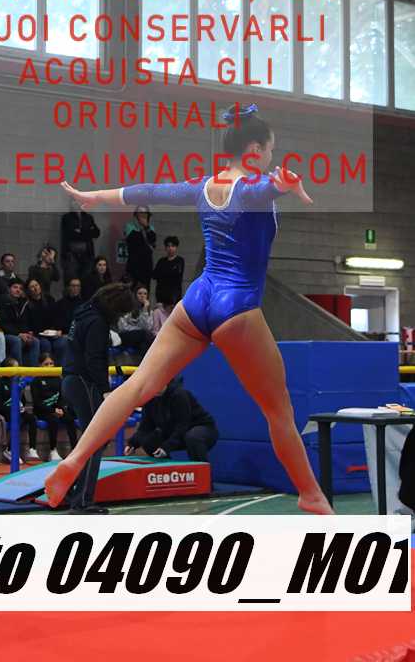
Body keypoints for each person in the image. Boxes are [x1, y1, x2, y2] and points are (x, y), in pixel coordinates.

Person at [45, 103, 333, 515]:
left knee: (139, 385)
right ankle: (310, 494)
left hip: (197, 300)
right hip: (236, 306)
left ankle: (75, 459)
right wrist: (283, 186)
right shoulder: (254, 187)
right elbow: (260, 191)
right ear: (254, 150)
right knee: (278, 410)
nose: (272, 156)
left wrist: (95, 196)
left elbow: (148, 191)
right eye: (270, 149)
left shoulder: (203, 186)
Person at [58, 282, 134, 513]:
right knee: (95, 441)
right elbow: (94, 359)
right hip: (84, 382)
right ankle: (82, 500)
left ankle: (69, 490)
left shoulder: (82, 314)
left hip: (70, 379)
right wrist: (104, 388)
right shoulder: (97, 322)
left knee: (88, 441)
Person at [124, 377, 219, 462]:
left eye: (157, 385)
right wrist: (132, 444)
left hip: (201, 428)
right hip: (176, 432)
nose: (155, 389)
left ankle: (201, 472)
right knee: (147, 440)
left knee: (193, 437)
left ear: (165, 382)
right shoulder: (150, 399)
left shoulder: (179, 395)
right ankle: (165, 470)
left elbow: (182, 425)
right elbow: (145, 427)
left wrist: (166, 447)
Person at [0, 357, 40, 463]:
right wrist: (13, 408)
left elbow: (23, 400)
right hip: (5, 411)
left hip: (17, 411)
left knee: (31, 418)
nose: (18, 370)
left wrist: (21, 406)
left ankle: (32, 448)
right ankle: (9, 449)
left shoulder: (17, 381)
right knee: (18, 419)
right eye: (15, 368)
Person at [31, 353, 78, 460]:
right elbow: (37, 402)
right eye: (46, 364)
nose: (49, 366)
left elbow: (62, 397)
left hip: (57, 409)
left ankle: (75, 449)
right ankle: (53, 450)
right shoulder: (36, 381)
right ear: (40, 365)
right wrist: (53, 410)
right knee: (53, 420)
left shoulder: (58, 379)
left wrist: (60, 408)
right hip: (42, 411)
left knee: (70, 419)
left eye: (51, 364)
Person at [0, 278, 40, 366]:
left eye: (20, 288)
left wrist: (27, 333)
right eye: (15, 287)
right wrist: (19, 334)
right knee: (16, 341)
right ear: (9, 289)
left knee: (35, 341)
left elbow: (24, 322)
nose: (18, 290)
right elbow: (3, 323)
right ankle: (18, 371)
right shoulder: (2, 301)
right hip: (4, 333)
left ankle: (33, 372)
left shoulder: (21, 303)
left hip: (18, 333)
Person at [26, 278, 68, 365]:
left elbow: (57, 317)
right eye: (32, 287)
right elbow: (29, 323)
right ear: (28, 290)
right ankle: (46, 369)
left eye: (36, 285)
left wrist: (59, 330)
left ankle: (61, 369)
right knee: (45, 344)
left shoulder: (50, 299)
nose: (35, 288)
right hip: (38, 334)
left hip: (52, 333)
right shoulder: (27, 304)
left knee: (62, 342)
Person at [61, 199, 100, 283]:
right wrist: (87, 232)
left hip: (87, 254)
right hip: (72, 255)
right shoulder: (67, 218)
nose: (76, 203)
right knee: (72, 280)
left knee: (86, 280)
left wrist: (80, 231)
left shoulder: (88, 217)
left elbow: (97, 233)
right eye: (74, 201)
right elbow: (70, 234)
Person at [124, 206, 156, 292]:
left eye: (145, 214)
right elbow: (133, 240)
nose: (143, 216)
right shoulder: (129, 226)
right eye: (140, 214)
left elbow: (153, 240)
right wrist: (141, 229)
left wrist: (146, 227)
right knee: (132, 288)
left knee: (145, 288)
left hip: (146, 264)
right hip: (133, 263)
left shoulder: (150, 228)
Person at [117, 284, 154, 357]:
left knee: (144, 342)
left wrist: (145, 310)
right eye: (139, 293)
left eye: (145, 294)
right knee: (145, 334)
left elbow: (147, 327)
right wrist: (138, 330)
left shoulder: (149, 311)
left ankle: (143, 362)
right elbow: (123, 327)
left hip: (141, 337)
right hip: (125, 335)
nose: (142, 296)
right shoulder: (127, 307)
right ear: (135, 295)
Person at [152, 236, 185, 305]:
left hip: (174, 294)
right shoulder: (161, 261)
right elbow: (154, 275)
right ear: (165, 248)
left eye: (173, 246)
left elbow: (177, 275)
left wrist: (164, 273)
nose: (170, 248)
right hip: (161, 293)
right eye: (168, 246)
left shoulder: (179, 260)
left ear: (176, 247)